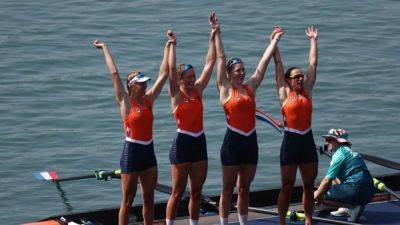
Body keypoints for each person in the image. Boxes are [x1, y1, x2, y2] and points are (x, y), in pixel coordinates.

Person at [93, 32, 174, 225]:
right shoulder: (125, 102)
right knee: (128, 200)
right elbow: (114, 74)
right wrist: (105, 48)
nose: (145, 85)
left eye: (145, 82)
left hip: (148, 152)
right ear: (132, 86)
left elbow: (163, 74)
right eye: (141, 83)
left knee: (149, 198)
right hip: (131, 152)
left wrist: (168, 46)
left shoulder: (148, 100)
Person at [214, 12, 283, 225]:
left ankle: (243, 222)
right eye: (238, 70)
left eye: (243, 70)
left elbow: (262, 64)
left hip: (250, 142)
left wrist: (274, 41)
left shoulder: (250, 87)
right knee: (227, 189)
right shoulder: (225, 89)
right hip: (232, 143)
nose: (242, 73)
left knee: (244, 187)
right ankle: (225, 222)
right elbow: (220, 58)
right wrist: (217, 33)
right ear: (229, 73)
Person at [165, 13, 217, 225]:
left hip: (199, 142)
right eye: (188, 78)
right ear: (180, 80)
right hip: (183, 143)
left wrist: (213, 34)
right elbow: (169, 69)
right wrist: (172, 45)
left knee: (196, 191)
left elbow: (210, 62)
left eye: (194, 77)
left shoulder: (197, 90)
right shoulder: (176, 94)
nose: (193, 80)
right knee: (177, 192)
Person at [273, 27, 318, 225]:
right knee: (287, 186)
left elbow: (313, 63)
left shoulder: (307, 90)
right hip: (290, 142)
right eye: (296, 77)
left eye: (301, 76)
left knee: (308, 185)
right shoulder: (284, 93)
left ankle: (308, 218)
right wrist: (275, 42)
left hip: (307, 140)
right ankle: (281, 221)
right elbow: (278, 64)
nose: (300, 78)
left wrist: (313, 41)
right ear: (288, 81)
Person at [314, 128, 374, 222]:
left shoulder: (339, 154)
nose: (326, 142)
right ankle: (347, 208)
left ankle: (351, 207)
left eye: (330, 140)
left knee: (320, 193)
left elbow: (327, 180)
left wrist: (316, 195)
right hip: (369, 192)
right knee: (335, 179)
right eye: (326, 140)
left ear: (338, 142)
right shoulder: (354, 154)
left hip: (355, 189)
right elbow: (334, 180)